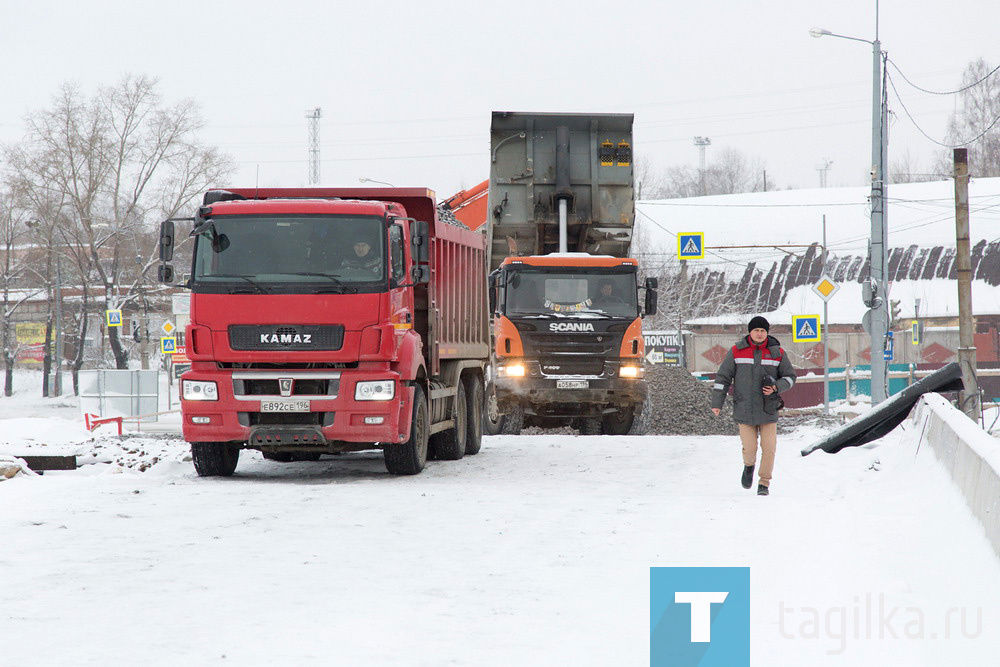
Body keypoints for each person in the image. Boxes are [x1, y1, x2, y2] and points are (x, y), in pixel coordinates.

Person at [710, 316, 796, 496]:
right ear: (750, 332)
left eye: (763, 331)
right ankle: (748, 467)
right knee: (749, 449)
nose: (759, 334)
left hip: (768, 409)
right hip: (744, 409)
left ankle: (764, 483)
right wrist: (717, 402)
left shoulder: (777, 353)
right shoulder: (736, 351)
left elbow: (789, 377)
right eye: (756, 330)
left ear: (767, 333)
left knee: (769, 448)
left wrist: (775, 387)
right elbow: (723, 378)